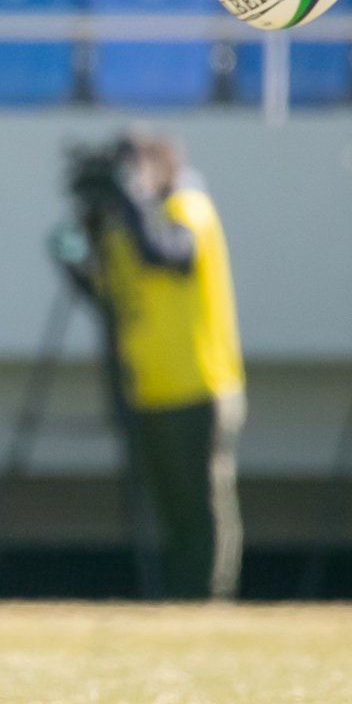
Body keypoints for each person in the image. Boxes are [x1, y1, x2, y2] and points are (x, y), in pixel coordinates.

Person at [71, 128, 245, 601]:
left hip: (199, 385)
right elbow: (108, 299)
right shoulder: (124, 227)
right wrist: (77, 243)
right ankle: (177, 598)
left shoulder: (187, 205)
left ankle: (209, 600)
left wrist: (129, 201)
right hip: (148, 390)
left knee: (202, 508)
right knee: (170, 512)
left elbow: (167, 253)